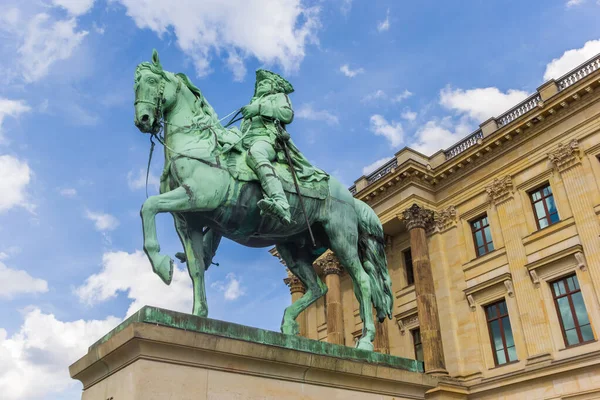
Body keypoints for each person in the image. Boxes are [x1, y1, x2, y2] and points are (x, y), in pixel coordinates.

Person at [240, 69, 296, 225]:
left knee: (256, 153)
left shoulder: (278, 97)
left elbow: (287, 115)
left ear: (274, 86)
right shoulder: (253, 102)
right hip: (244, 141)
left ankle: (281, 203)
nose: (260, 85)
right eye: (259, 83)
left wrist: (258, 110)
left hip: (267, 140)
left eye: (265, 82)